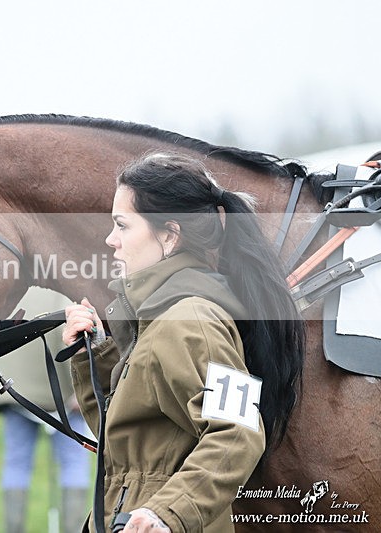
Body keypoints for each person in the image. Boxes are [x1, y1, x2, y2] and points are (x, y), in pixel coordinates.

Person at [62, 153, 305, 532]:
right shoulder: (158, 318)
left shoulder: (191, 321)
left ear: (169, 235)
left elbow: (239, 432)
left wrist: (166, 514)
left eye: (122, 225)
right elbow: (125, 449)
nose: (111, 240)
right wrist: (92, 355)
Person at [0, 287, 90, 533]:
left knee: (16, 463)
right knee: (74, 464)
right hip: (65, 397)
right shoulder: (63, 289)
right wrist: (82, 389)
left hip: (16, 391)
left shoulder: (12, 292)